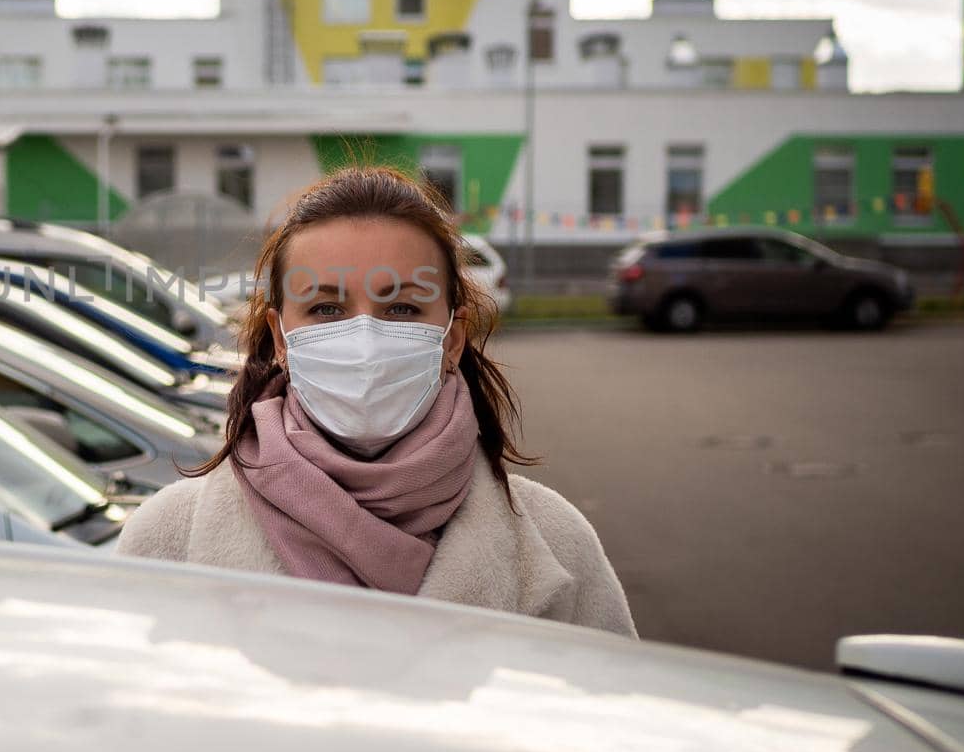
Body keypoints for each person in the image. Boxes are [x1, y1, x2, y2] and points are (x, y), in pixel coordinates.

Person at [116, 166, 636, 637]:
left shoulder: (557, 542)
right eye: (325, 308)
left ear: (452, 340)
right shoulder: (166, 539)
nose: (363, 337)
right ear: (280, 339)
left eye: (402, 308)